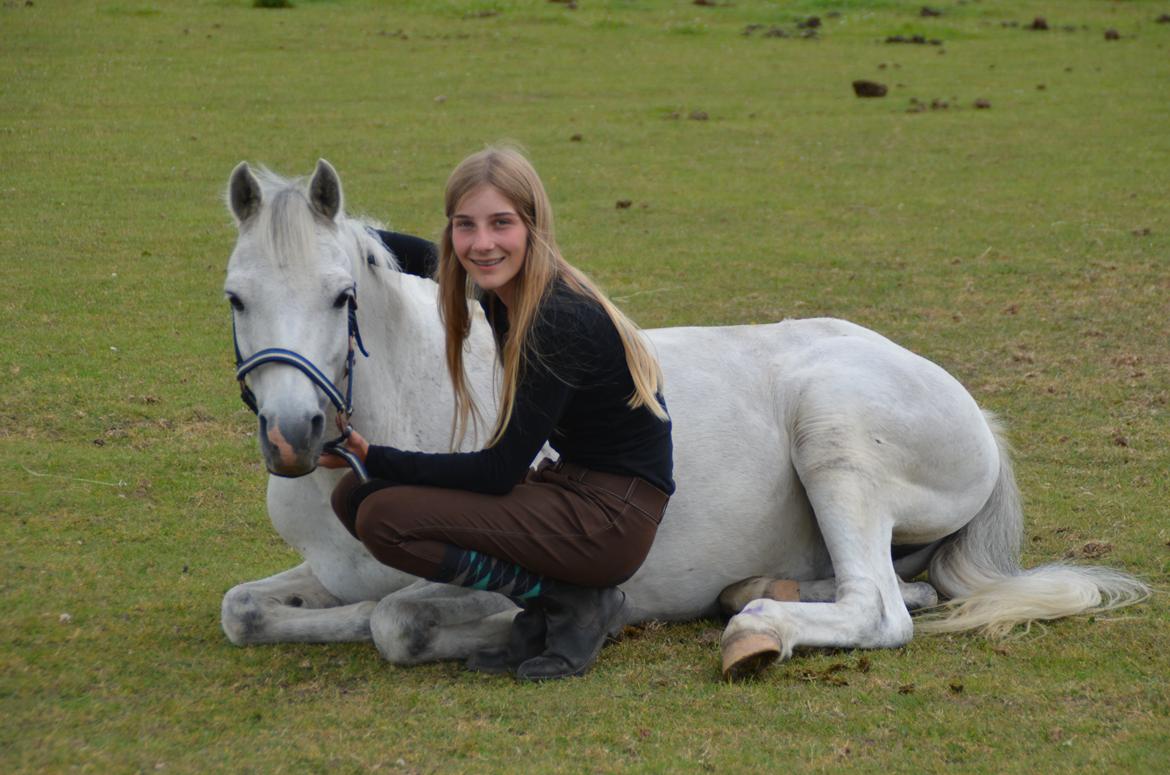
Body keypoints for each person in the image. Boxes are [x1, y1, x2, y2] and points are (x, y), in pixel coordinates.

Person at [322, 147, 674, 681]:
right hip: (573, 490)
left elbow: (498, 472)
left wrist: (374, 455)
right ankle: (554, 603)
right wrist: (320, 232)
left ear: (533, 227)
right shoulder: (506, 288)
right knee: (354, 495)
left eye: (501, 224)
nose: (482, 244)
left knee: (381, 516)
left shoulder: (555, 319)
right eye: (466, 226)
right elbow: (420, 259)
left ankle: (567, 601)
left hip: (610, 520)